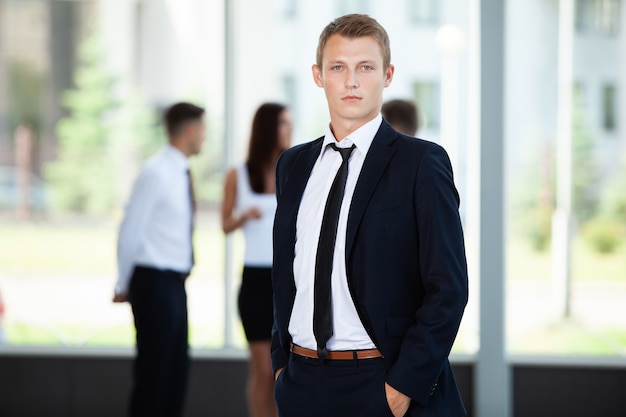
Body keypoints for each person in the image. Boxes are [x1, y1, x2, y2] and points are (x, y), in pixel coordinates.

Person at [271, 14, 468, 417]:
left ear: (388, 74)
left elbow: (448, 288)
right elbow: (287, 273)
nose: (351, 81)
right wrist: (280, 364)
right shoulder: (293, 165)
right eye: (338, 67)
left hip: (381, 383)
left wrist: (402, 387)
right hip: (300, 381)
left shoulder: (421, 163)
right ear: (318, 75)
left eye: (366, 67)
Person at [113, 102, 206, 417]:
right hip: (153, 281)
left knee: (175, 370)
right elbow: (130, 230)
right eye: (203, 131)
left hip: (173, 282)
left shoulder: (179, 172)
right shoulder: (156, 172)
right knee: (155, 374)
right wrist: (122, 282)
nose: (204, 139)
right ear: (190, 130)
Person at [221, 103, 292, 417]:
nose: (289, 130)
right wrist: (244, 216)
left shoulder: (293, 169)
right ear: (268, 128)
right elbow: (225, 224)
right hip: (255, 283)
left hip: (288, 281)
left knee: (284, 373)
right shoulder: (239, 173)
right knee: (263, 372)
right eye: (283, 124)